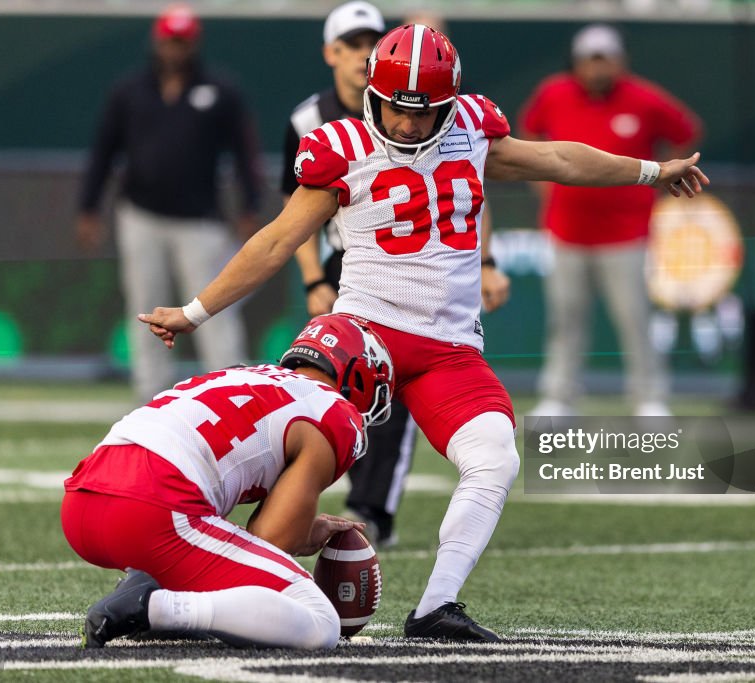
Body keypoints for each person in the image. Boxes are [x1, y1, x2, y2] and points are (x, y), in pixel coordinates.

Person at [139, 24, 708, 641]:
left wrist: (652, 170)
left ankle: (437, 606)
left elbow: (559, 158)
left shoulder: (471, 128)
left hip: (450, 350)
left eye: (426, 112)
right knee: (282, 459)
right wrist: (194, 312)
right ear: (374, 93)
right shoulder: (342, 147)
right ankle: (172, 579)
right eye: (398, 109)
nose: (410, 125)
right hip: (360, 334)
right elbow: (277, 240)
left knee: (494, 456)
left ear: (450, 102)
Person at [61, 313, 394, 650]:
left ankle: (162, 595)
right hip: (152, 508)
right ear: (356, 373)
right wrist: (297, 534)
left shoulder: (242, 372)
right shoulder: (334, 413)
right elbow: (272, 539)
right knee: (321, 623)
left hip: (82, 503)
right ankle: (155, 607)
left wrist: (301, 527)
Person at [76, 3, 263, 403]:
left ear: (193, 43)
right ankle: (150, 396)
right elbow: (104, 151)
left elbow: (244, 152)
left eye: (182, 41)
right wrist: (89, 207)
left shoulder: (220, 91)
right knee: (145, 307)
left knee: (214, 304)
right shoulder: (130, 90)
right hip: (141, 215)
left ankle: (231, 392)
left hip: (200, 220)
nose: (175, 49)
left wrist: (250, 205)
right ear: (157, 41)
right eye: (169, 41)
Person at [520, 24, 703, 418]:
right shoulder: (554, 93)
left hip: (626, 234)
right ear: (578, 63)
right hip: (567, 231)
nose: (598, 68)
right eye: (591, 59)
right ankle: (559, 396)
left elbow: (685, 131)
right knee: (565, 320)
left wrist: (661, 181)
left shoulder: (644, 99)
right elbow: (528, 134)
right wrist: (543, 185)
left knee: (635, 319)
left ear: (620, 62)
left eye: (605, 59)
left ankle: (649, 397)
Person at [281, 1, 411, 549]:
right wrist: (314, 280)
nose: (363, 55)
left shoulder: (413, 107)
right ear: (331, 53)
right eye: (353, 45)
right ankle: (307, 489)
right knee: (329, 380)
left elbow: (467, 172)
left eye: (371, 43)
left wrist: (486, 260)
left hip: (408, 260)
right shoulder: (307, 120)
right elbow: (295, 212)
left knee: (396, 386)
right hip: (342, 260)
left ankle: (373, 506)